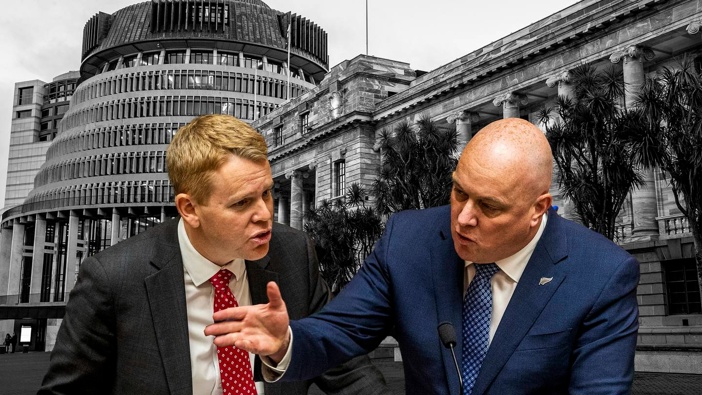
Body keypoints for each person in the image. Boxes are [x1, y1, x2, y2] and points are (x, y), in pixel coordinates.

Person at [206, 118, 640, 394]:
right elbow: (340, 330)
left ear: (538, 210)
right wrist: (286, 342)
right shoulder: (407, 240)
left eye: (488, 207)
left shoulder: (601, 274)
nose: (463, 219)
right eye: (458, 192)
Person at [39, 114, 389, 395]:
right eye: (241, 203)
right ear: (190, 209)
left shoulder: (293, 253)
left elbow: (348, 370)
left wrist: (286, 348)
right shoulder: (114, 278)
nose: (265, 214)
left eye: (266, 193)